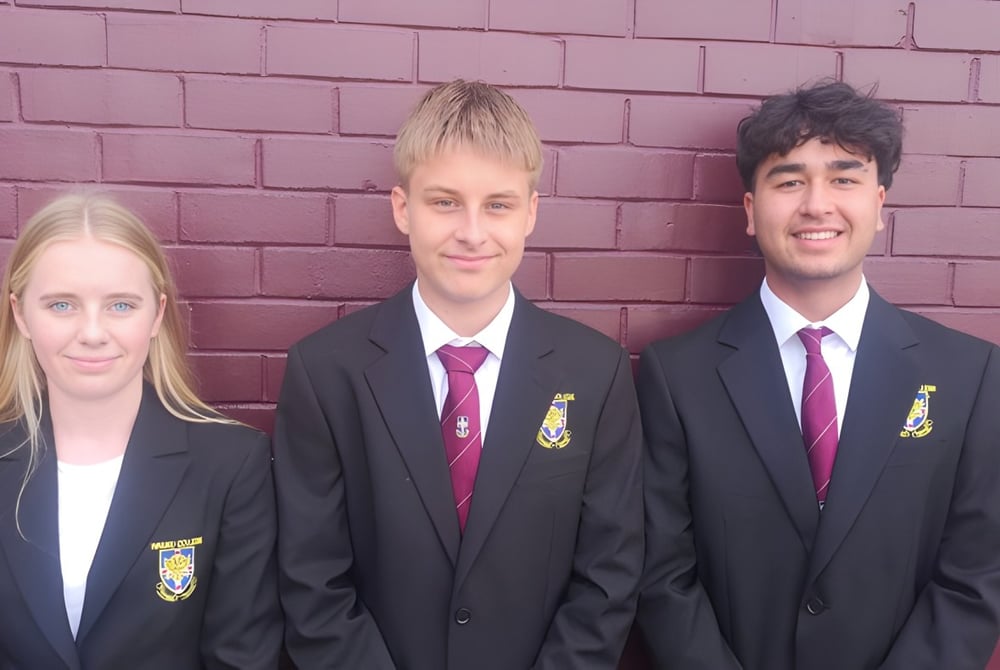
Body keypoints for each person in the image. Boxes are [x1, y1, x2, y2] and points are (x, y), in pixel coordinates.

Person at [273, 79, 644, 670]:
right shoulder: (326, 372)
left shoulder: (595, 372)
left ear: (530, 213)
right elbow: (310, 576)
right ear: (403, 209)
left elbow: (610, 573)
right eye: (445, 202)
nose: (472, 232)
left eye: (497, 204)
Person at [637, 80, 1000, 670]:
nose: (816, 204)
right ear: (751, 211)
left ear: (879, 205)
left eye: (844, 178)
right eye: (789, 180)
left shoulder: (971, 375)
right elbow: (662, 576)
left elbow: (977, 574)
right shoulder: (677, 377)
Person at [0, 194, 282, 669]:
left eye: (121, 305)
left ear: (156, 315)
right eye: (62, 304)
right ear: (22, 315)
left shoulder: (231, 463)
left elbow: (242, 657)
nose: (92, 332)